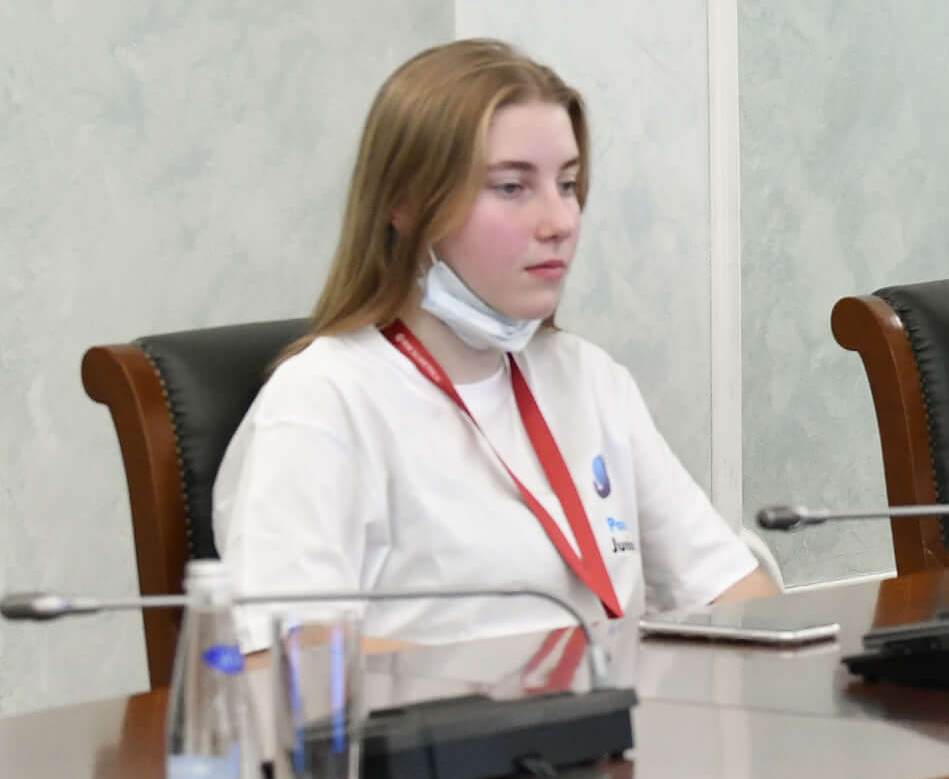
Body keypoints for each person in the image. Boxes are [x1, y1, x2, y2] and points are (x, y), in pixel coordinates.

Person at [214, 41, 772, 646]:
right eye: (511, 187)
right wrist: (505, 688)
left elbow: (729, 591)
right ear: (405, 204)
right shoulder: (323, 399)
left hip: (612, 704)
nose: (560, 221)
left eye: (567, 183)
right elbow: (289, 654)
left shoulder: (587, 377)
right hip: (451, 712)